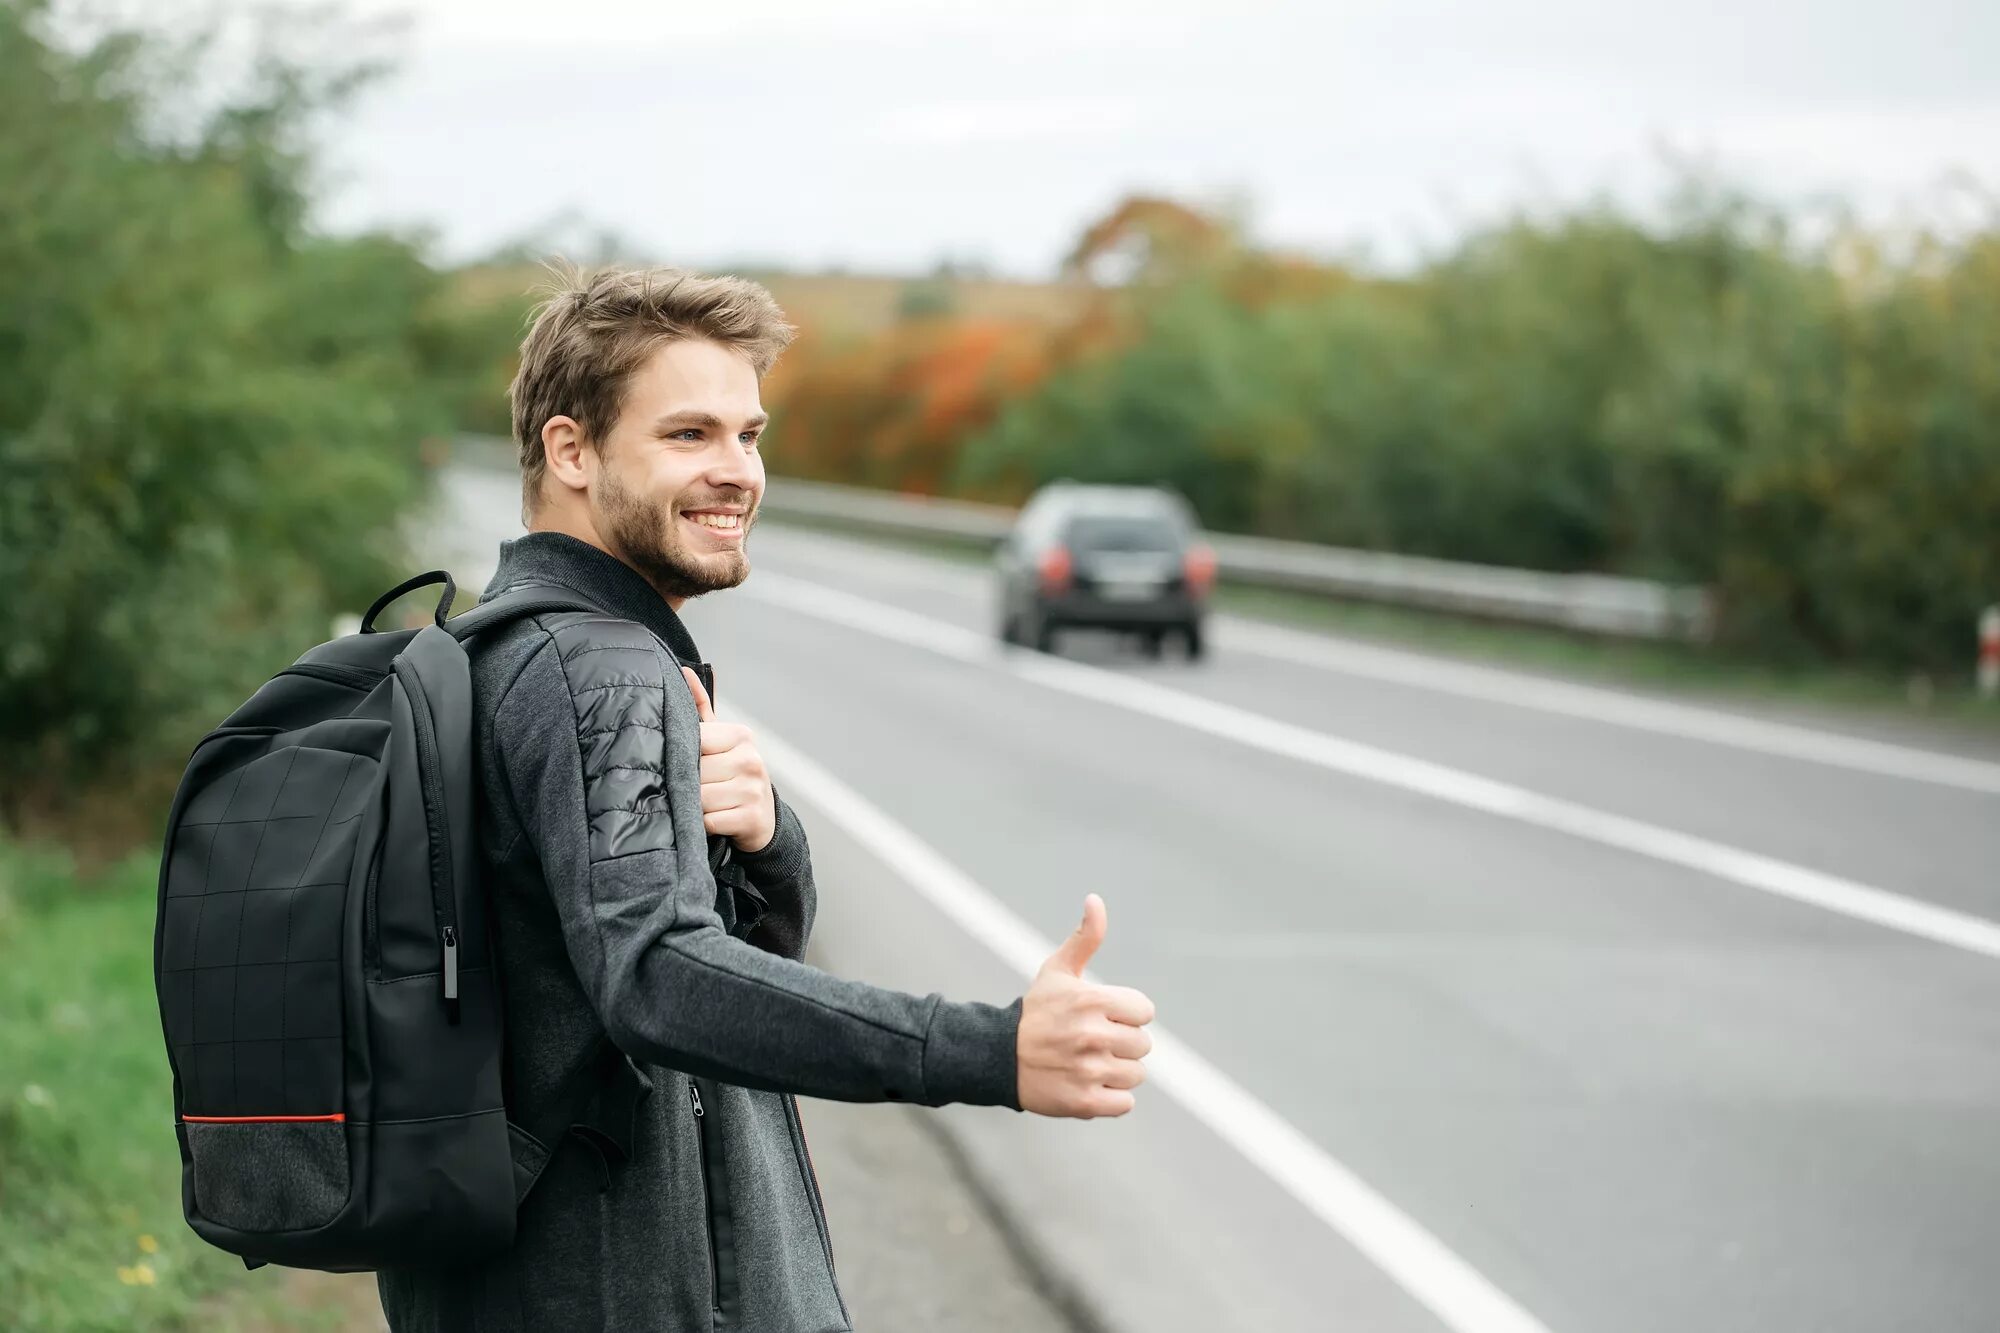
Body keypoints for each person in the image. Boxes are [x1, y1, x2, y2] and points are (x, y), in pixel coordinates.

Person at [376, 267, 1156, 1332]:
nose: (736, 471)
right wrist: (988, 1048)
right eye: (689, 435)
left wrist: (766, 835)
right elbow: (653, 974)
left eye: (749, 435)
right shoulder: (595, 668)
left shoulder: (500, 648)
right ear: (571, 450)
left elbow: (714, 952)